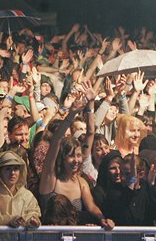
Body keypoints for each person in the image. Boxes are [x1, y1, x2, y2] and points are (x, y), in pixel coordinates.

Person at [39, 92, 114, 229]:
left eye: (79, 156)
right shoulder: (51, 178)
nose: (76, 160)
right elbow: (56, 141)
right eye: (71, 156)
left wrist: (102, 219)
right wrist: (71, 114)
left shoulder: (81, 182)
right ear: (62, 158)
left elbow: (91, 207)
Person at [0, 151, 41, 227]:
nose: (12, 173)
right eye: (8, 169)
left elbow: (33, 213)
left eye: (16, 169)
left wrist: (31, 220)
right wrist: (8, 220)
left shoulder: (27, 195)